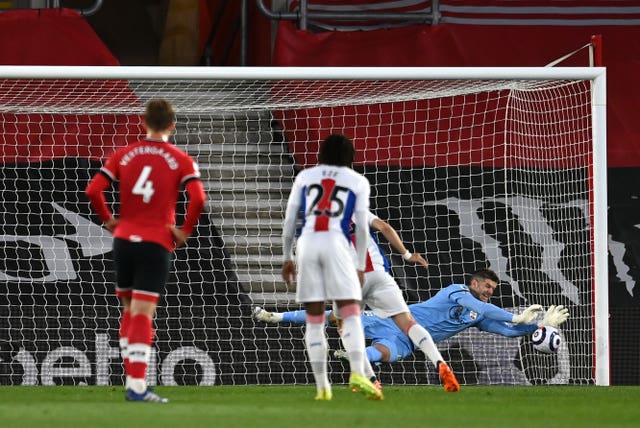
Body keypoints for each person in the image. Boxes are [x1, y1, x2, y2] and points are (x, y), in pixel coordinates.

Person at [85, 98, 206, 403]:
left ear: (143, 121)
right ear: (172, 125)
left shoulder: (123, 154)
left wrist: (110, 220)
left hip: (124, 240)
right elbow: (198, 199)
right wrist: (185, 230)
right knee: (143, 312)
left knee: (128, 310)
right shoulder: (181, 159)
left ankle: (133, 381)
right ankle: (138, 387)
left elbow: (93, 190)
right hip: (156, 241)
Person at [254, 268, 568, 375]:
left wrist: (538, 327)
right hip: (393, 320)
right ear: (474, 283)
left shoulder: (476, 315)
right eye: (487, 287)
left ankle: (357, 357)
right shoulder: (457, 291)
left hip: (408, 340)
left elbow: (505, 330)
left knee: (386, 354)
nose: (489, 293)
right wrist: (516, 315)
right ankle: (278, 315)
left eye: (492, 291)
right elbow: (493, 313)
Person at [281, 133, 382, 401]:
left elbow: (290, 220)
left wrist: (287, 258)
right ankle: (359, 373)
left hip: (307, 245)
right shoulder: (357, 181)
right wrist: (360, 264)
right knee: (349, 315)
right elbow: (361, 228)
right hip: (336, 245)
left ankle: (322, 386)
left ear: (321, 155)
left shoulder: (305, 176)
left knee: (315, 320)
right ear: (350, 158)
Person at [345, 211, 460, 392]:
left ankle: (370, 379)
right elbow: (384, 227)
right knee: (408, 323)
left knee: (346, 327)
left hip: (353, 280)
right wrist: (407, 255)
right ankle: (440, 363)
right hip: (379, 275)